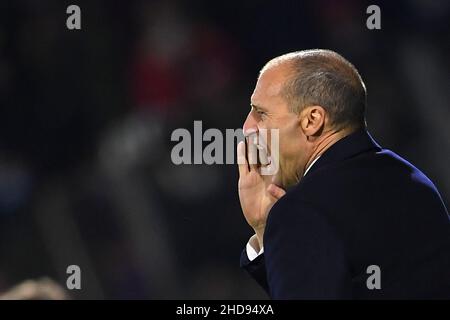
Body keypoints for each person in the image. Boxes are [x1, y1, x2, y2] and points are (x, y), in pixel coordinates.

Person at [237, 49, 450, 299]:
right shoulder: (415, 182)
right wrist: (266, 229)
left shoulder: (304, 210)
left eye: (260, 113)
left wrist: (280, 223)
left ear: (312, 120)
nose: (247, 127)